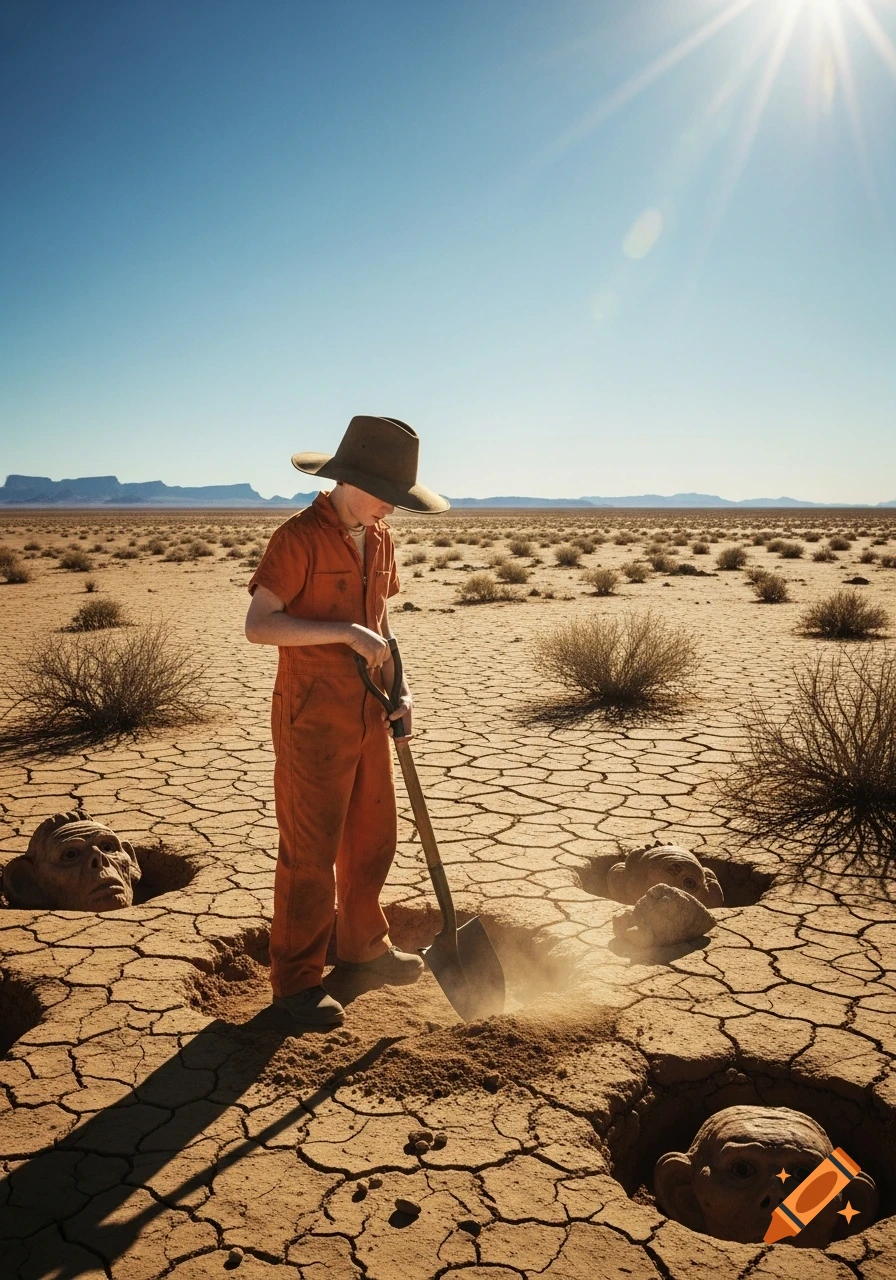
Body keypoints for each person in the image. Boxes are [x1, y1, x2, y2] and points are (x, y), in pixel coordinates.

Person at [244, 415, 449, 1027]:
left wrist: (401, 691)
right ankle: (296, 984)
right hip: (312, 719)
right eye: (387, 493)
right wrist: (342, 633)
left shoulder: (380, 536)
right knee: (309, 852)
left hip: (370, 711)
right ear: (349, 479)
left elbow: (381, 629)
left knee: (371, 838)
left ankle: (362, 949)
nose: (392, 507)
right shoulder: (297, 538)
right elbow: (260, 626)